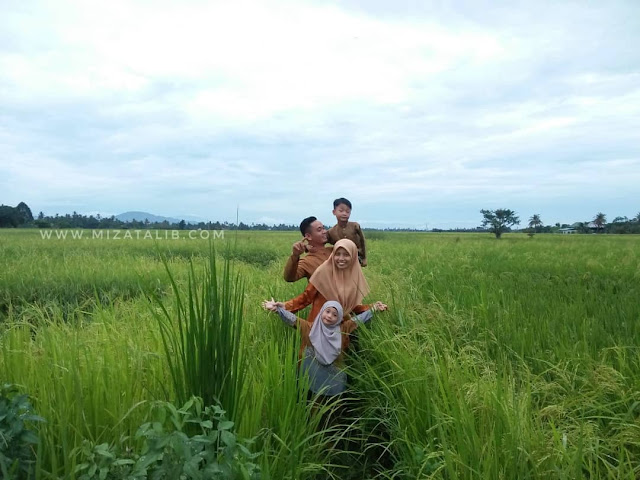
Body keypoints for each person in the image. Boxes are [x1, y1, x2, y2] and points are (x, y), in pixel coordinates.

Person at [261, 299, 387, 397]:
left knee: (334, 405)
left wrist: (374, 308)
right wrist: (278, 309)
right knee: (315, 403)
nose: (329, 316)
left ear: (339, 318)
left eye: (334, 314)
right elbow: (292, 319)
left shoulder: (343, 328)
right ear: (322, 312)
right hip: (314, 375)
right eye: (327, 311)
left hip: (333, 377)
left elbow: (359, 319)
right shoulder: (309, 328)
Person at [281, 239, 380, 324]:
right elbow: (306, 297)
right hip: (319, 325)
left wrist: (372, 307)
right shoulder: (323, 272)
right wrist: (284, 306)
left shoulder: (353, 276)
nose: (341, 259)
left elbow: (351, 307)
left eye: (346, 255)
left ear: (353, 257)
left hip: (342, 329)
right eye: (337, 254)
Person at [283, 216, 333, 282]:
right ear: (308, 236)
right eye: (319, 230)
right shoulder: (306, 262)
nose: (324, 231)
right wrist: (295, 256)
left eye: (324, 228)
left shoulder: (335, 250)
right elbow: (289, 278)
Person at [327, 198, 367, 267]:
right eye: (341, 211)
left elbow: (362, 241)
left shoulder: (355, 226)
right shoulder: (331, 231)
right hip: (340, 261)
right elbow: (321, 241)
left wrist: (364, 258)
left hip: (356, 258)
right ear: (334, 212)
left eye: (347, 211)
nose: (344, 214)